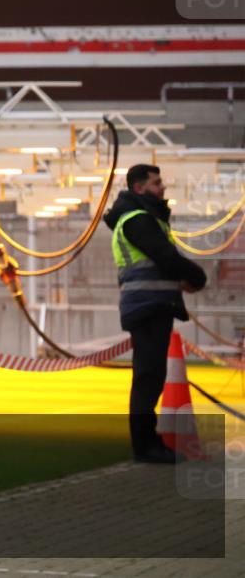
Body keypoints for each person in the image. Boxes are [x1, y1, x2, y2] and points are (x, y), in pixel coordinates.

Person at [104, 163, 207, 464]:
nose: (163, 188)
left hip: (151, 304)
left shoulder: (145, 219)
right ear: (139, 188)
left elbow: (164, 259)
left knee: (151, 375)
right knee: (148, 376)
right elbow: (165, 256)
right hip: (147, 305)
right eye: (156, 183)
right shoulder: (138, 220)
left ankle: (148, 442)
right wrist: (197, 277)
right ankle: (146, 445)